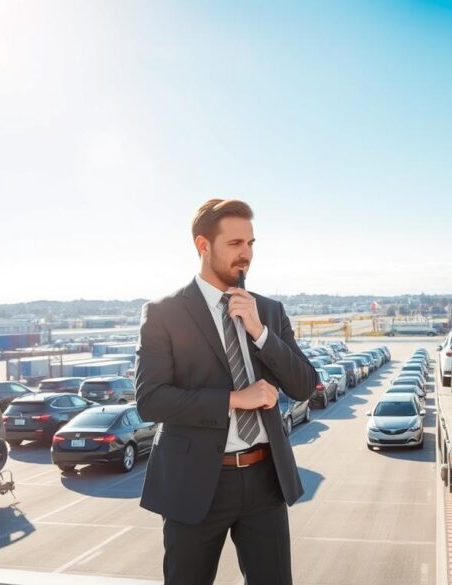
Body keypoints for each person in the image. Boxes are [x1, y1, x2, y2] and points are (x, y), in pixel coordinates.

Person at [136, 198, 317, 585]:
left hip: (265, 480)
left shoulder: (267, 311)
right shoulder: (164, 313)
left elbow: (304, 385)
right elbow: (150, 400)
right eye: (235, 244)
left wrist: (260, 332)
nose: (246, 254)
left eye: (251, 244)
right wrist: (235, 399)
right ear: (203, 245)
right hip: (196, 483)